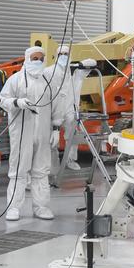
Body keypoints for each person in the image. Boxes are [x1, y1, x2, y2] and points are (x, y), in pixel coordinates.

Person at [0, 46, 61, 221]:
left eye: (41, 59)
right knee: (18, 169)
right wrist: (17, 102)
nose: (38, 62)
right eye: (34, 58)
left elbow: (57, 106)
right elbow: (3, 100)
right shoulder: (16, 79)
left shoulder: (48, 82)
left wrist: (56, 128)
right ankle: (13, 207)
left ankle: (41, 207)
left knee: (41, 170)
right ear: (26, 59)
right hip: (21, 132)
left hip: (42, 133)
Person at [47, 45, 83, 173]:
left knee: (72, 136)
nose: (63, 56)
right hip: (53, 110)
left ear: (70, 55)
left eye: (66, 54)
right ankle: (53, 164)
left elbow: (92, 63)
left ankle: (70, 160)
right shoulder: (49, 71)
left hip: (69, 110)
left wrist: (82, 64)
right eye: (61, 54)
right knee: (51, 139)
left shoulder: (76, 72)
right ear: (56, 56)